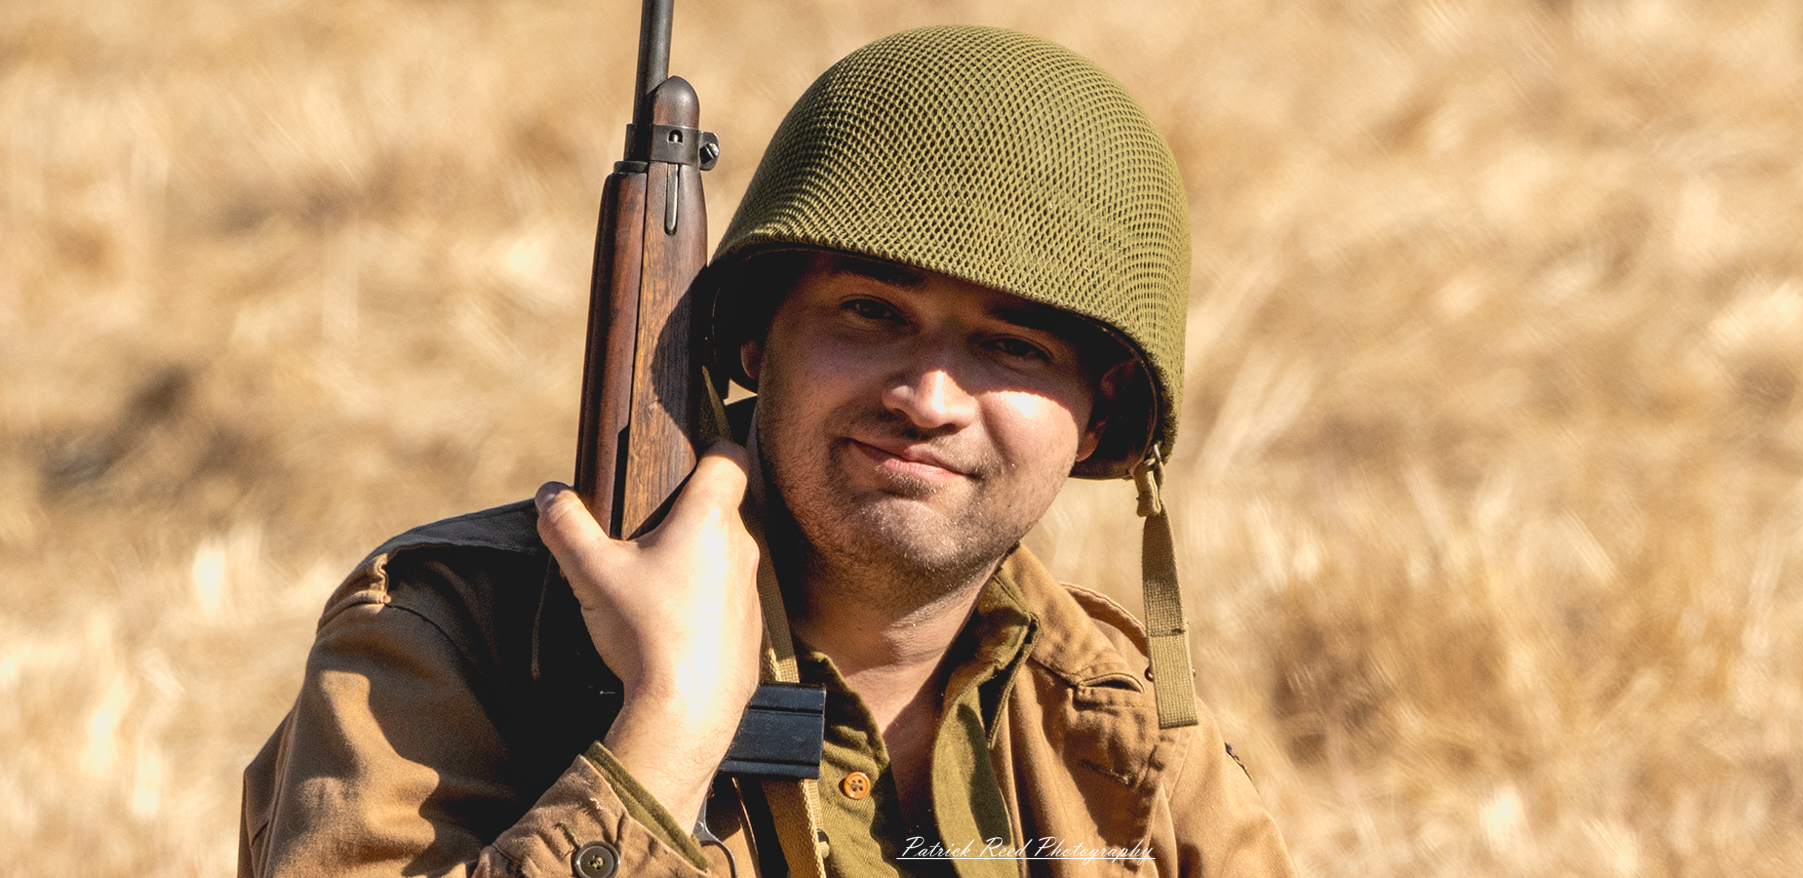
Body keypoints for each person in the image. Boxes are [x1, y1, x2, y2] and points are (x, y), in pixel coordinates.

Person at [240, 25, 1295, 878]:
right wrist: (667, 727)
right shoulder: (455, 638)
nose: (928, 397)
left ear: (1099, 418)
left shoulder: (1128, 742)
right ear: (755, 338)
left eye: (1013, 347)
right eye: (870, 311)